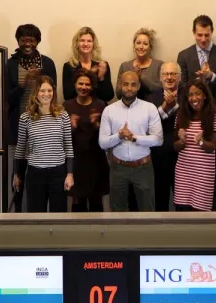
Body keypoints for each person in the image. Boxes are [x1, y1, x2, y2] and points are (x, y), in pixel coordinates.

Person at [176, 15, 216, 211]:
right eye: (199, 35)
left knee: (213, 169)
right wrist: (198, 82)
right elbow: (181, 89)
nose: (203, 39)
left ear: (212, 32)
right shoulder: (184, 56)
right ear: (193, 33)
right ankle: (191, 209)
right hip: (191, 118)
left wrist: (212, 76)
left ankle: (214, 213)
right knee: (191, 167)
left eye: (207, 35)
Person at [7, 24, 57, 212]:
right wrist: (25, 83)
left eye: (32, 40)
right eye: (23, 40)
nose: (27, 44)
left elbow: (53, 96)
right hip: (17, 129)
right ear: (18, 41)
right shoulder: (11, 64)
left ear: (38, 41)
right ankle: (18, 216)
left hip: (43, 129)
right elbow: (8, 99)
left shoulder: (47, 63)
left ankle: (41, 218)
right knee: (17, 177)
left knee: (41, 178)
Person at [98, 71, 163, 212]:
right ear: (119, 86)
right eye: (126, 84)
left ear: (139, 86)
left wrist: (134, 138)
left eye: (133, 85)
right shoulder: (109, 110)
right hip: (118, 167)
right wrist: (119, 136)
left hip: (143, 167)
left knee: (147, 209)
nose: (129, 88)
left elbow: (158, 139)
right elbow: (102, 143)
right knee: (117, 210)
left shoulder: (149, 108)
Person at [13, 76, 74, 213]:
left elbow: (68, 147)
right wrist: (16, 174)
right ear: (36, 93)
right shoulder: (26, 118)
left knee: (58, 215)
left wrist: (70, 174)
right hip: (35, 173)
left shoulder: (63, 116)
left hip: (58, 173)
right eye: (42, 91)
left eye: (49, 90)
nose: (46, 94)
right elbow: (20, 148)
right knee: (36, 215)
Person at [172, 79, 216, 212]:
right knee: (182, 210)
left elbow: (212, 147)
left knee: (200, 212)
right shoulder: (181, 116)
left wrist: (200, 141)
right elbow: (175, 147)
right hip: (183, 172)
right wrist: (181, 141)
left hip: (203, 174)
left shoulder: (214, 116)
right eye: (190, 95)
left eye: (197, 93)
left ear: (205, 95)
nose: (194, 98)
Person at [63, 68, 109, 212]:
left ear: (92, 86)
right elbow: (62, 137)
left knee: (96, 204)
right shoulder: (66, 106)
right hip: (76, 161)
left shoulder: (100, 105)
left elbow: (108, 135)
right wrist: (72, 127)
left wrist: (97, 125)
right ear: (74, 85)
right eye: (80, 83)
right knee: (77, 204)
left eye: (87, 84)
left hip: (96, 160)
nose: (84, 87)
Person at [146, 62, 181, 211]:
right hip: (159, 156)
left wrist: (175, 105)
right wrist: (165, 107)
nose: (169, 77)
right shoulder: (151, 97)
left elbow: (189, 118)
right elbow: (150, 125)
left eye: (173, 74)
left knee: (182, 201)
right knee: (160, 198)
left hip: (183, 156)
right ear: (160, 78)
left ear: (180, 77)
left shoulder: (189, 94)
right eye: (166, 74)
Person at [62, 27, 114, 103]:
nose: (85, 44)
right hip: (77, 108)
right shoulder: (69, 66)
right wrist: (90, 74)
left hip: (98, 108)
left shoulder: (102, 65)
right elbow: (67, 96)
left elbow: (108, 96)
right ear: (77, 44)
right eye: (82, 40)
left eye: (89, 41)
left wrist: (101, 78)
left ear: (93, 44)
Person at [116, 27, 163, 101]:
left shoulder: (159, 65)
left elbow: (159, 91)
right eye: (138, 43)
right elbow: (118, 95)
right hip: (129, 107)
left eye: (145, 44)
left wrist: (141, 77)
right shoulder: (124, 66)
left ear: (150, 47)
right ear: (134, 46)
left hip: (152, 107)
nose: (141, 47)